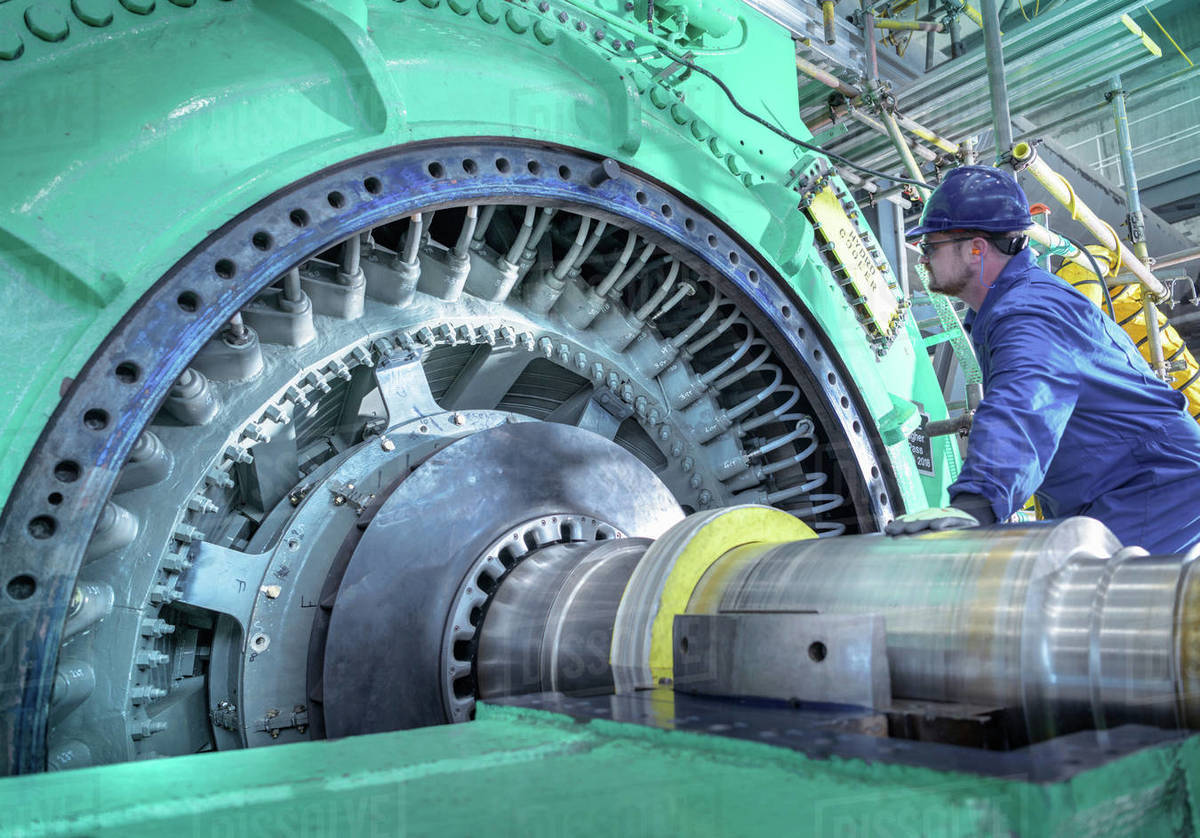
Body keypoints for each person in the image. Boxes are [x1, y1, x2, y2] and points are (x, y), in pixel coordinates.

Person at [885, 165, 1200, 555]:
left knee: (1092, 603)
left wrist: (977, 503)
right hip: (1114, 484)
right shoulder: (1009, 309)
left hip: (1151, 485)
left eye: (931, 246)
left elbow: (1025, 401)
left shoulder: (1028, 311)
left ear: (977, 248)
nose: (923, 258)